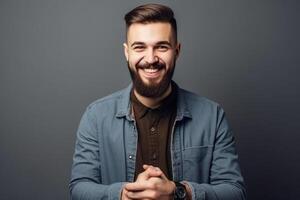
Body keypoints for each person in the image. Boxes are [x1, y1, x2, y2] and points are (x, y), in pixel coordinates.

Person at [69, 3, 246, 200]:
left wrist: (178, 191)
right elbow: (79, 189)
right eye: (140, 47)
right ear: (127, 52)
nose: (151, 58)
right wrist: (123, 195)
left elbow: (235, 192)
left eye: (161, 47)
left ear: (177, 51)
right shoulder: (95, 116)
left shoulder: (213, 116)